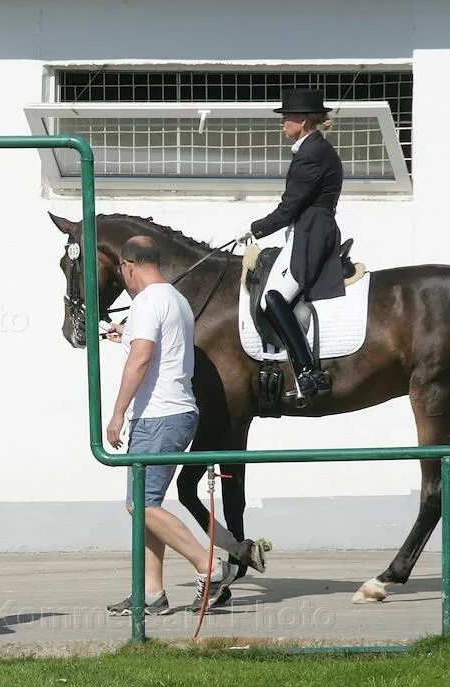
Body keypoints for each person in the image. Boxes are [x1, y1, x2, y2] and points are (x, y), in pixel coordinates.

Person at [104, 236, 238, 615]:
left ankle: (209, 565)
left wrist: (117, 413)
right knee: (149, 506)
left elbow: (143, 359)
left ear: (129, 265)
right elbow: (156, 350)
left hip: (159, 415)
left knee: (140, 505)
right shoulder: (175, 299)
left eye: (122, 272)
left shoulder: (146, 301)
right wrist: (125, 337)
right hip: (172, 412)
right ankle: (151, 594)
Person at [238, 88, 346, 400]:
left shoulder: (311, 155)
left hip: (311, 232)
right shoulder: (313, 149)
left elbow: (289, 208)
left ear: (302, 120)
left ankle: (308, 372)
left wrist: (254, 229)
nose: (282, 124)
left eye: (286, 118)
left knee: (272, 298)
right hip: (309, 229)